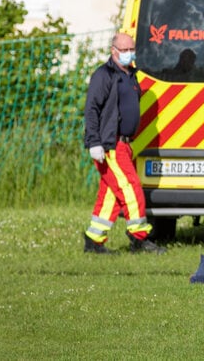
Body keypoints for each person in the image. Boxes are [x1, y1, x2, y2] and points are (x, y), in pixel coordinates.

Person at [83, 32, 165, 254]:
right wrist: (94, 143)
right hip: (110, 144)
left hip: (125, 144)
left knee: (111, 193)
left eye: (132, 49)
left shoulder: (130, 75)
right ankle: (139, 237)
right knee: (130, 187)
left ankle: (94, 239)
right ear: (114, 51)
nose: (130, 54)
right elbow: (92, 110)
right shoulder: (104, 75)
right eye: (125, 50)